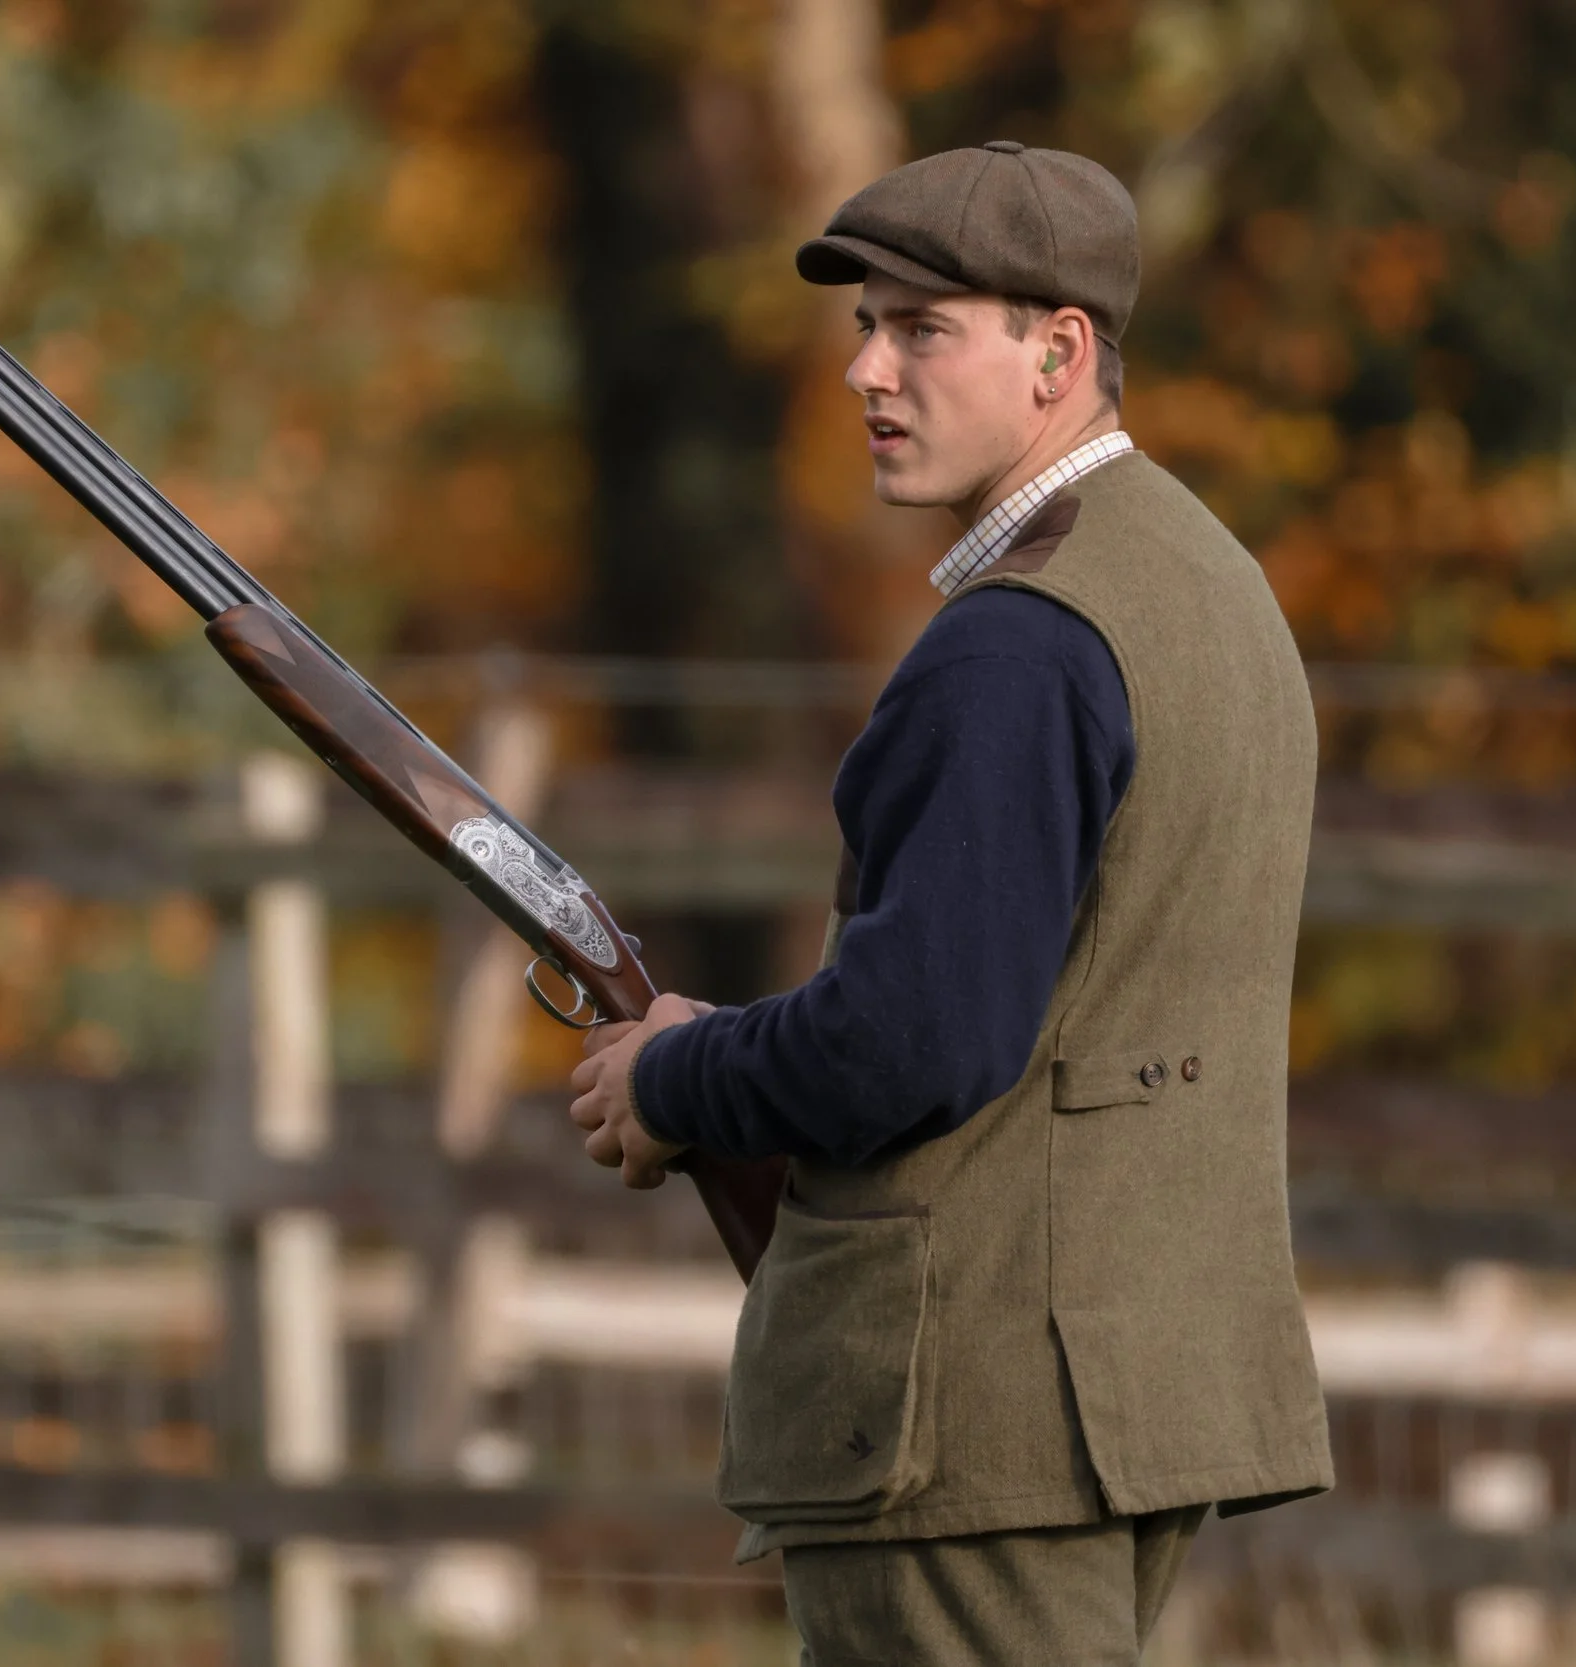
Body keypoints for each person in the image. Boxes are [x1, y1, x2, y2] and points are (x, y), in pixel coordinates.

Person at [566, 141, 1333, 1665]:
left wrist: (676, 1074)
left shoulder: (1017, 644)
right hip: (1120, 1387)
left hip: (970, 1415)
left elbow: (913, 1038)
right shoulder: (1205, 578)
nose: (867, 369)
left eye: (924, 329)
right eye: (869, 326)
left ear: (1060, 353)